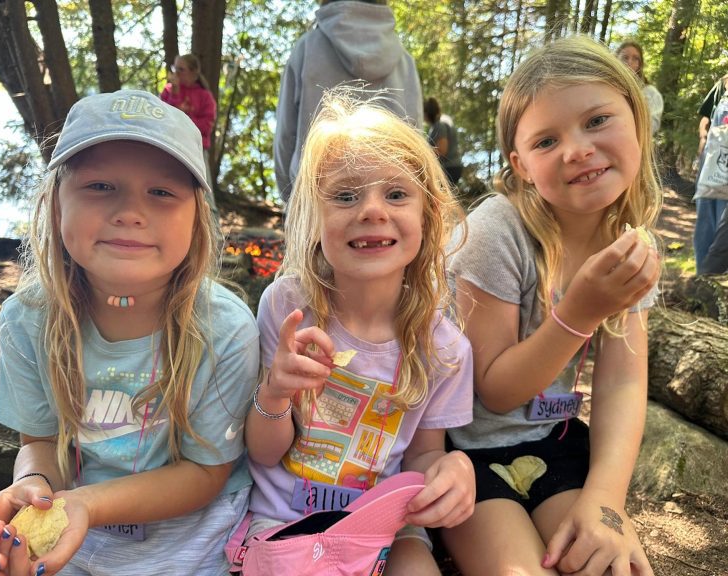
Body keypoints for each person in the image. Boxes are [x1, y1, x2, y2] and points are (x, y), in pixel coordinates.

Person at [0, 89, 259, 575]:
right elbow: (38, 442)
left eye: (162, 192)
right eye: (100, 186)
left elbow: (206, 472)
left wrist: (88, 505)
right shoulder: (27, 318)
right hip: (78, 521)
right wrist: (34, 489)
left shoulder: (224, 328)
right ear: (56, 204)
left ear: (197, 220)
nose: (130, 212)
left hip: (198, 528)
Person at [444, 36, 660, 576]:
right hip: (466, 454)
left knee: (611, 565)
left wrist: (606, 500)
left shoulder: (629, 242)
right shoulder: (494, 234)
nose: (577, 149)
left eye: (596, 120)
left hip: (556, 440)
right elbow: (493, 390)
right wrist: (581, 311)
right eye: (546, 141)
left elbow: (622, 384)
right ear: (520, 165)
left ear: (637, 119)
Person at [247, 91, 475, 575]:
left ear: (427, 215)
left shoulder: (445, 348)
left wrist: (453, 469)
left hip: (384, 527)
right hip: (279, 521)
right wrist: (276, 391)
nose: (372, 210)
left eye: (396, 194)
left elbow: (422, 457)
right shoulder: (288, 307)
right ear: (314, 216)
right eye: (346, 196)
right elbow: (263, 450)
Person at [273, 0, 423, 203]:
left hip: (316, 201)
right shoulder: (404, 61)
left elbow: (285, 137)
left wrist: (291, 200)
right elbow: (416, 142)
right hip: (389, 204)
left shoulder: (307, 49)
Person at [161, 54, 219, 215]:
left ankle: (214, 236)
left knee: (205, 196)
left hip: (196, 150)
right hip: (170, 148)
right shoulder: (168, 92)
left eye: (181, 70)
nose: (176, 74)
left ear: (194, 73)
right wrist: (176, 93)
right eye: (175, 69)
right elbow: (164, 118)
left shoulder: (205, 97)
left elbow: (206, 127)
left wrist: (185, 119)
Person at [693, 74, 728, 274]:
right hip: (712, 160)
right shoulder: (721, 86)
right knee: (705, 219)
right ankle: (702, 277)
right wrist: (702, 137)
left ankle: (718, 277)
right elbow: (705, 117)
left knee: (724, 220)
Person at [616, 40, 664, 134]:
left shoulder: (649, 93)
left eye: (635, 58)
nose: (629, 62)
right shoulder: (605, 88)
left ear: (639, 64)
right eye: (625, 57)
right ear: (616, 59)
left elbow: (651, 126)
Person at [423, 97, 463, 185]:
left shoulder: (440, 125)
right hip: (452, 168)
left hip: (449, 169)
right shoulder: (442, 121)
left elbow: (442, 150)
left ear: (426, 113)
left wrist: (422, 153)